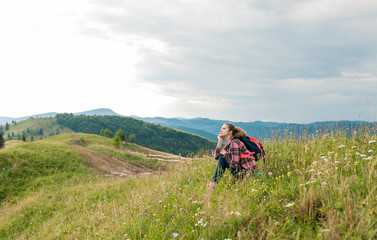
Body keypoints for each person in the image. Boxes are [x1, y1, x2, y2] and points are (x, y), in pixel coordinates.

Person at [207, 123, 257, 190]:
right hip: (242, 172)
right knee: (222, 157)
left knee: (223, 157)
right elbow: (216, 157)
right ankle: (213, 184)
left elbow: (234, 164)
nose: (220, 130)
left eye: (224, 128)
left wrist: (225, 154)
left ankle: (213, 185)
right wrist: (220, 141)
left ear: (230, 132)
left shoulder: (234, 143)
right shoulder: (229, 144)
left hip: (248, 174)